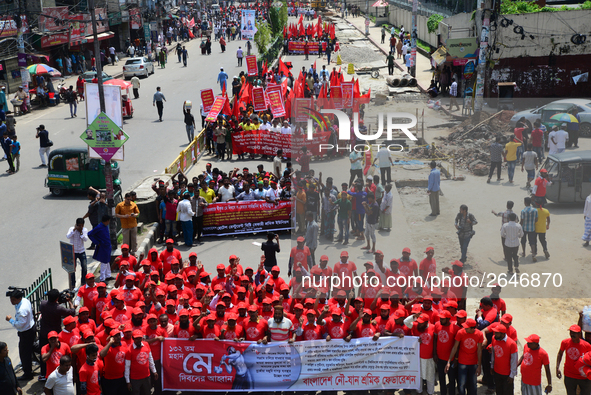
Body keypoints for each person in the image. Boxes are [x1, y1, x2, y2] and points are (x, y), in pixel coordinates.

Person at [5, 288, 35, 380]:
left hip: (26, 332)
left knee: (24, 354)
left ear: (18, 299)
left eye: (13, 299)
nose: (11, 301)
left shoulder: (22, 310)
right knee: (30, 348)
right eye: (11, 299)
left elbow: (20, 325)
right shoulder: (24, 300)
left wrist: (10, 320)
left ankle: (28, 373)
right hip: (30, 327)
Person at [557, 325, 591, 395]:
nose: (572, 334)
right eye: (571, 332)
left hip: (583, 376)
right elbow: (560, 353)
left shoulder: (586, 345)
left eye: (574, 333)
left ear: (579, 334)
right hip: (569, 375)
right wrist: (557, 368)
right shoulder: (565, 342)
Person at [125, 330, 158, 395]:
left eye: (139, 338)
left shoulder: (146, 344)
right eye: (136, 338)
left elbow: (150, 359)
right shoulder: (129, 350)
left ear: (142, 338)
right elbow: (127, 367)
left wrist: (154, 371)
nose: (138, 340)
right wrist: (128, 382)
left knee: (147, 392)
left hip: (146, 377)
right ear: (133, 338)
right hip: (135, 379)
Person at [490, 325, 518, 395]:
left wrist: (512, 375)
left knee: (507, 392)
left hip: (507, 375)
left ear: (502, 334)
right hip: (497, 371)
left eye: (497, 333)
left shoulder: (512, 344)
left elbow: (514, 360)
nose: (495, 334)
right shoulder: (494, 338)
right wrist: (492, 366)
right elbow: (493, 353)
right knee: (499, 392)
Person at [88, 215, 113, 282]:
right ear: (107, 221)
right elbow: (90, 234)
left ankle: (108, 275)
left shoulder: (105, 226)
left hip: (107, 246)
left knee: (107, 261)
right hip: (103, 247)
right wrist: (97, 242)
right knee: (104, 263)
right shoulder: (99, 227)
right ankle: (102, 279)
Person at [66, 218, 89, 288]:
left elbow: (85, 239)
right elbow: (68, 236)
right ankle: (73, 283)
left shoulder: (84, 230)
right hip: (73, 252)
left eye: (82, 225)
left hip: (81, 251)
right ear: (76, 225)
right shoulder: (71, 229)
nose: (80, 227)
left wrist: (81, 233)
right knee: (72, 268)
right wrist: (74, 230)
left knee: (84, 267)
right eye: (79, 225)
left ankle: (83, 282)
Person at [520, 197, 538, 262]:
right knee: (532, 241)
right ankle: (533, 254)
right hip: (532, 228)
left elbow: (522, 221)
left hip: (524, 228)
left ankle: (524, 252)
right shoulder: (535, 210)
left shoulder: (523, 211)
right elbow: (536, 219)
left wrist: (519, 227)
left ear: (525, 203)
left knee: (523, 241)